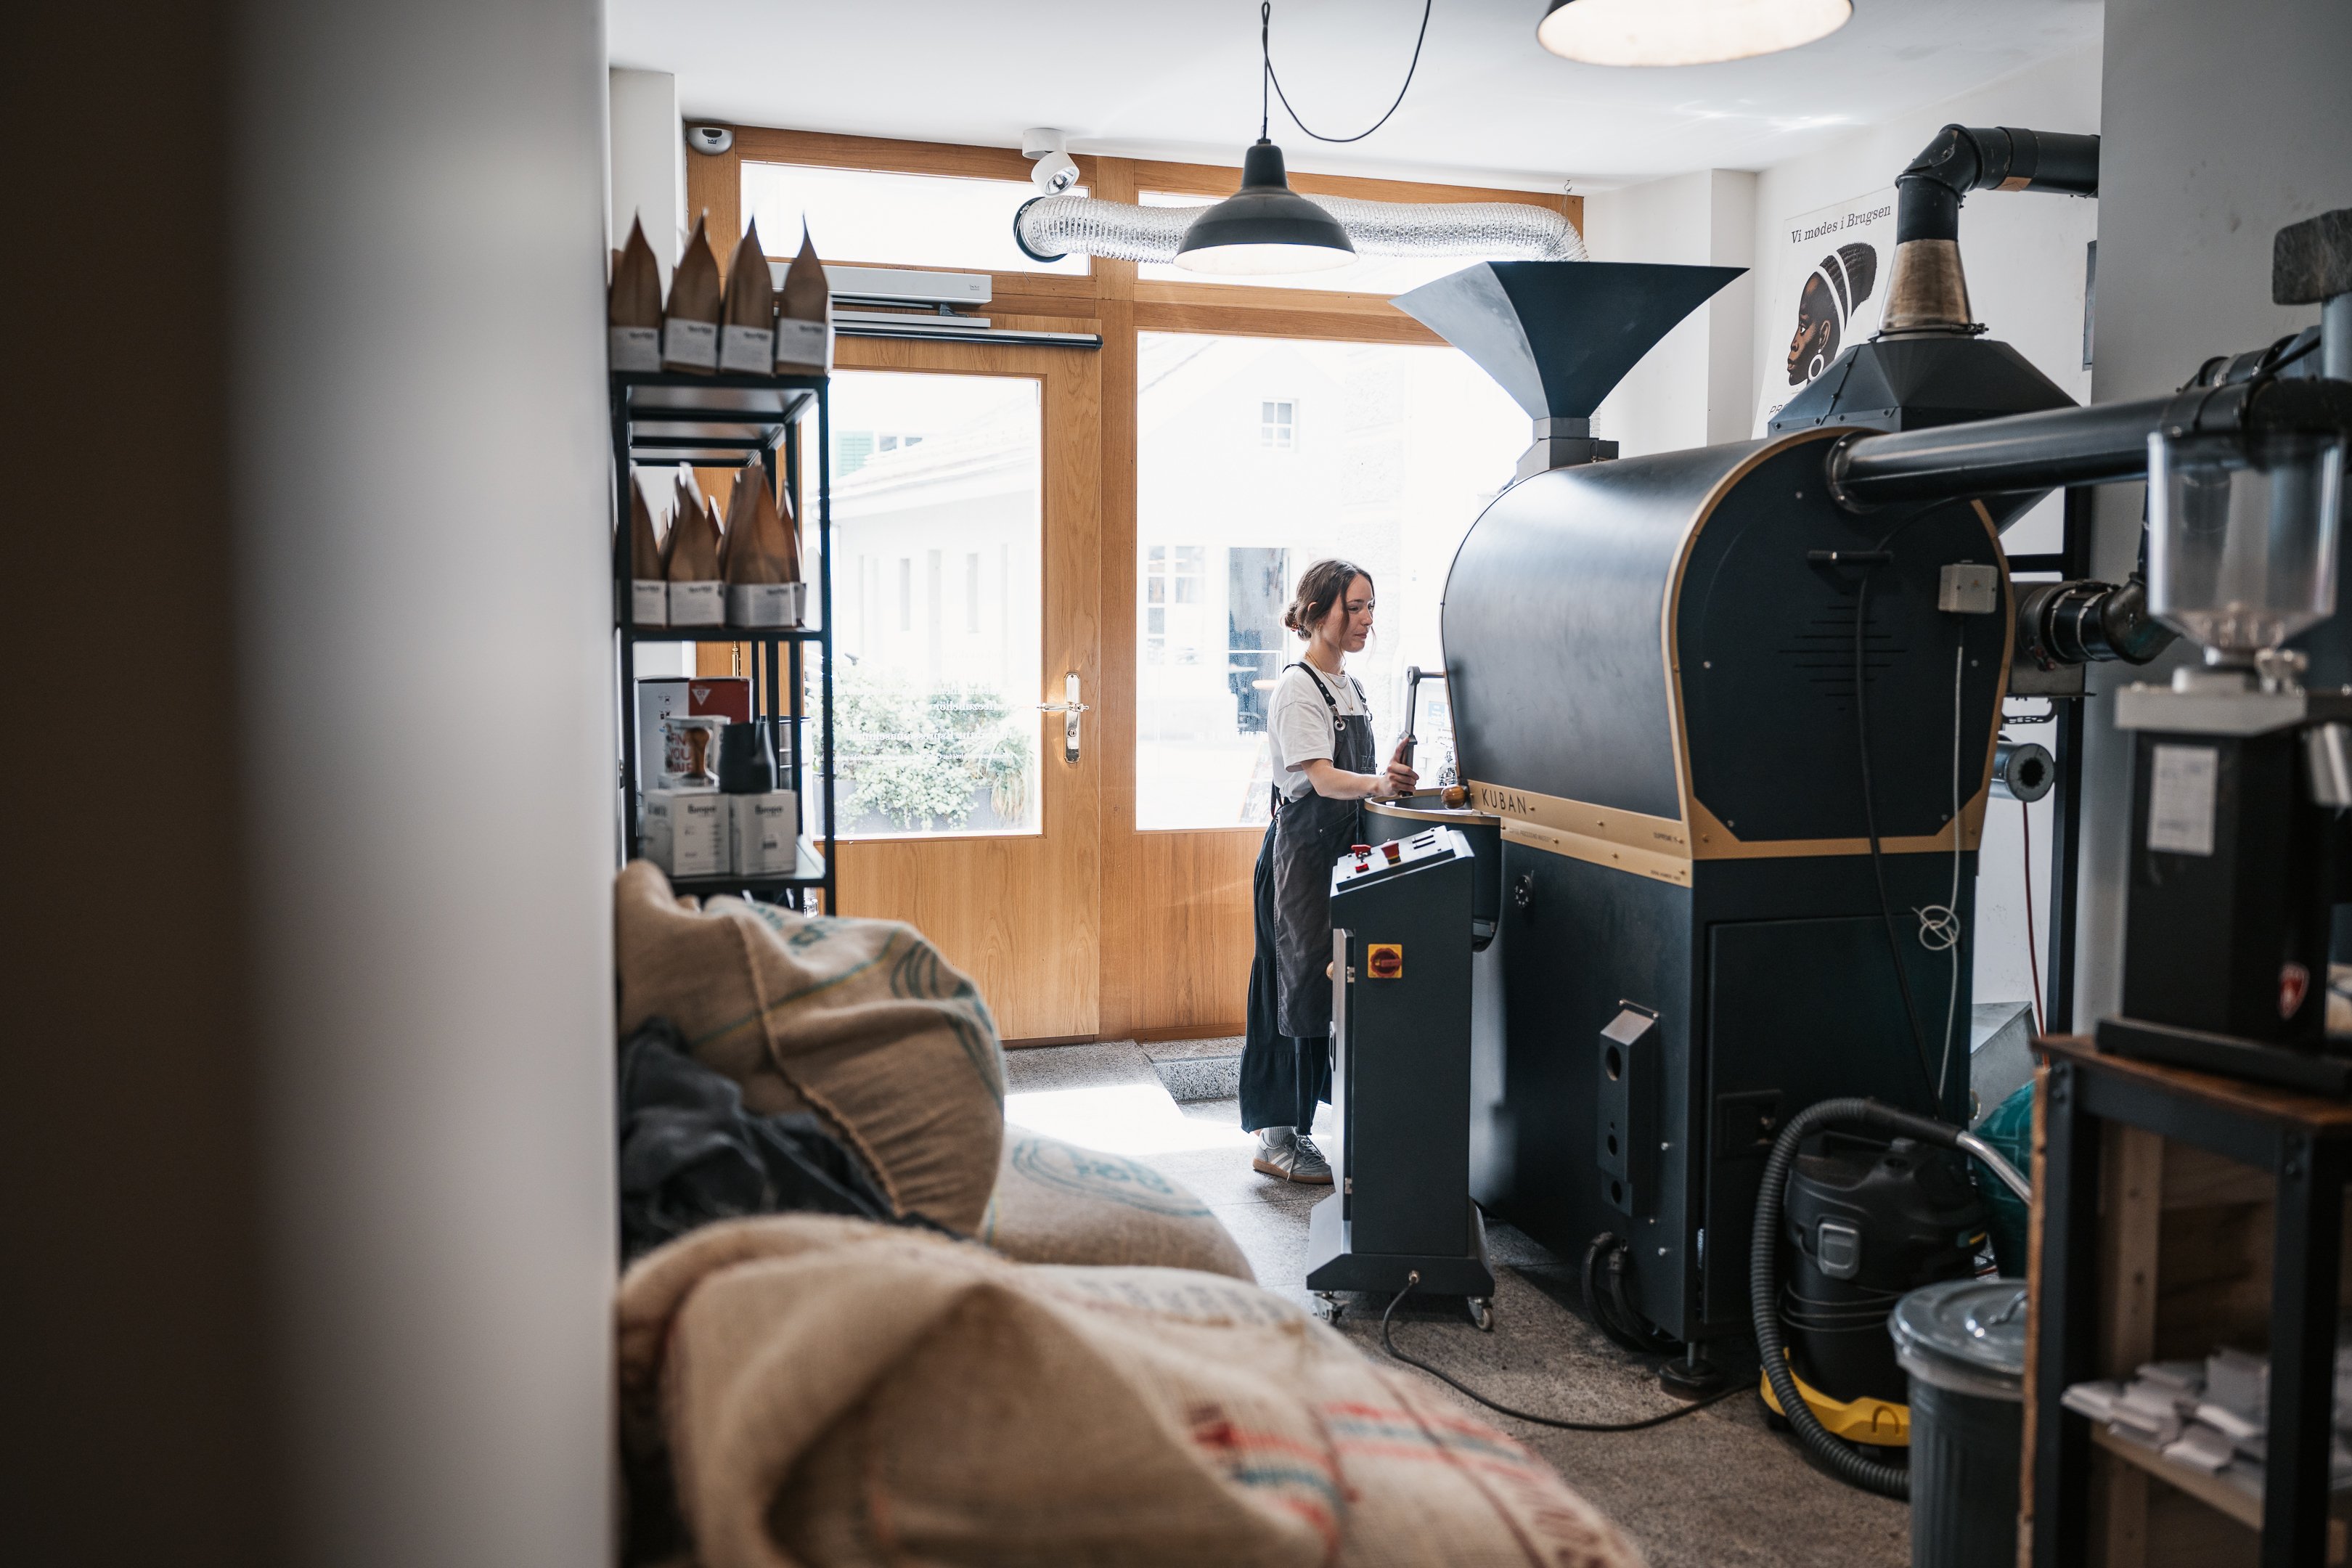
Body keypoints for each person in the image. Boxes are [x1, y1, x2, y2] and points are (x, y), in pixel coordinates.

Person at [1241, 559, 1416, 1183]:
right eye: (1355, 607)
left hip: (1339, 854)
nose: (1367, 619)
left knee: (1329, 986)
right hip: (1301, 860)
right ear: (1318, 612)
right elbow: (1319, 777)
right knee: (1295, 988)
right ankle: (1277, 1136)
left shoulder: (1350, 686)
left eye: (1371, 607)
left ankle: (1303, 1127)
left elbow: (1354, 776)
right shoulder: (1299, 687)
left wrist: (1387, 776)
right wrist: (1376, 782)